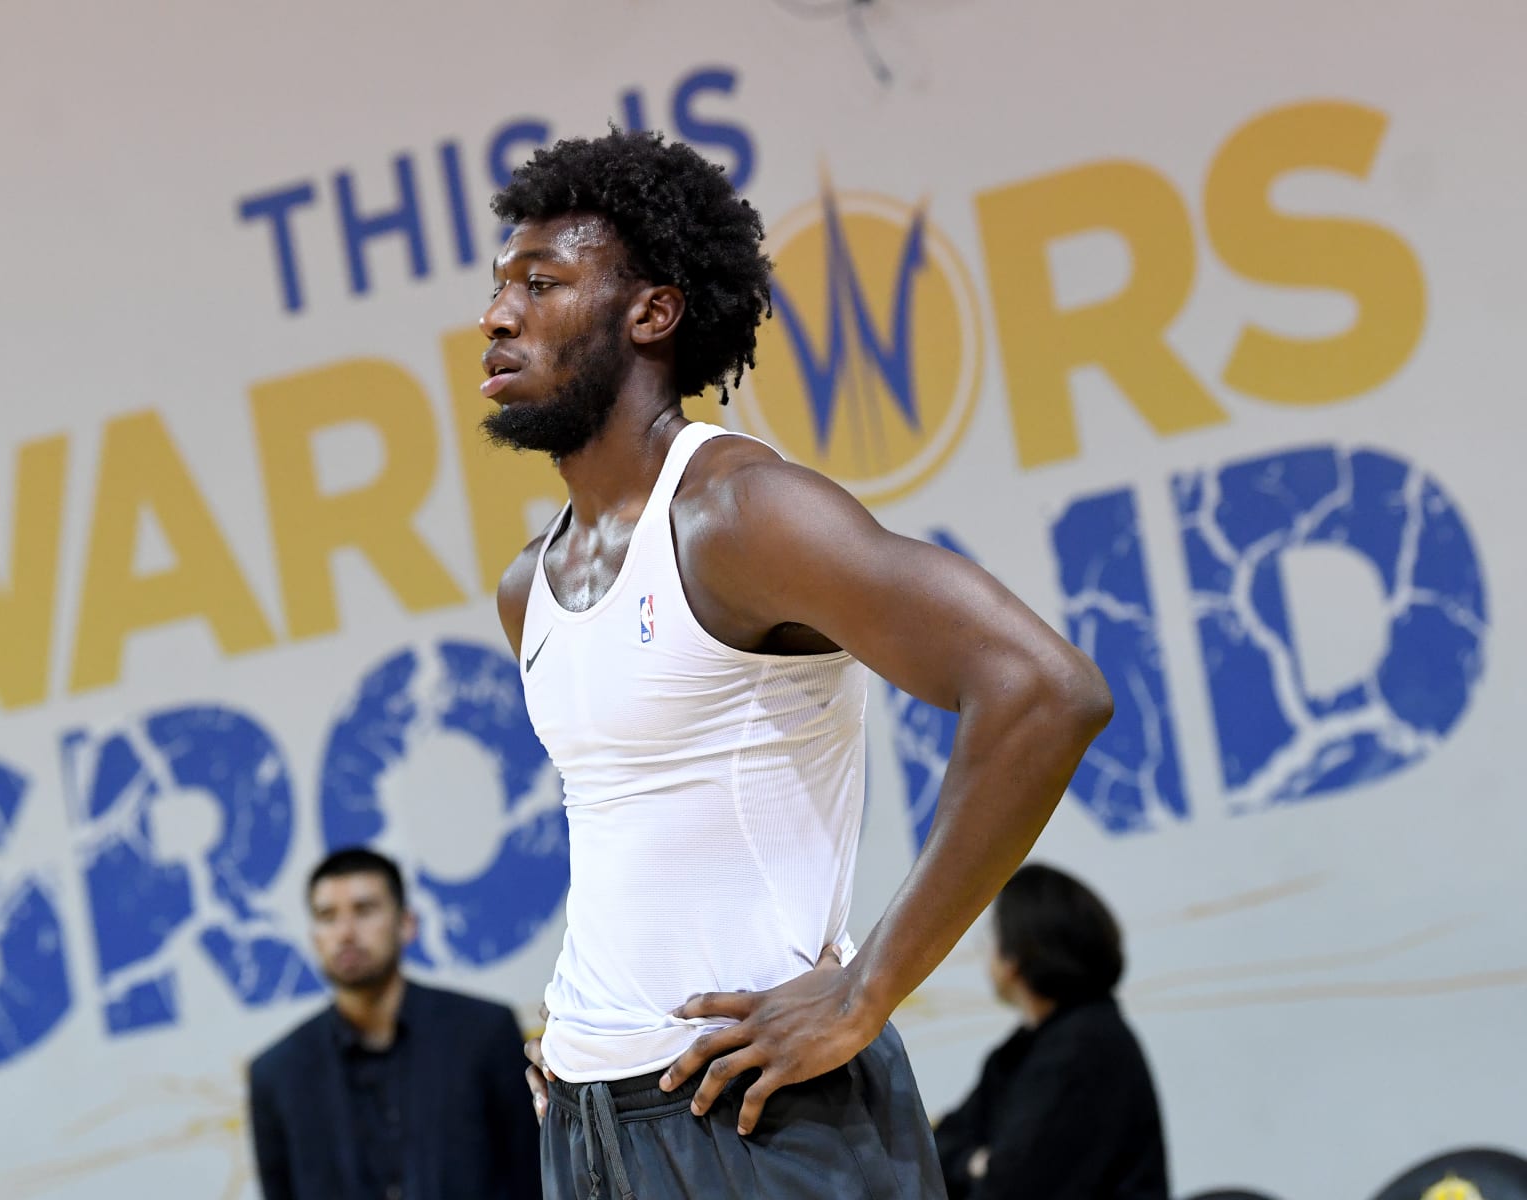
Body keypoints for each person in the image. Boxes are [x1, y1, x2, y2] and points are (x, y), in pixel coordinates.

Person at [480, 128, 1115, 1199]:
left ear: (652, 314)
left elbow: (1046, 692)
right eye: (499, 287)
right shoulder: (525, 587)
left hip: (757, 1112)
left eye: (543, 284)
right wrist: (584, 1045)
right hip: (589, 1121)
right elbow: (639, 832)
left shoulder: (742, 514)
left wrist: (867, 989)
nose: (499, 316)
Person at [246, 848, 540, 1200]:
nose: (345, 932)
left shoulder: (484, 1033)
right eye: (327, 916)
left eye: (364, 910)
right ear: (313, 938)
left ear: (406, 924)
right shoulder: (277, 1075)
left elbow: (534, 1177)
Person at [934, 864, 1169, 1199]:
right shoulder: (1025, 1048)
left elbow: (1009, 1188)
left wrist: (983, 1164)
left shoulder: (1085, 1048)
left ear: (1017, 955)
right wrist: (976, 1163)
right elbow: (940, 1147)